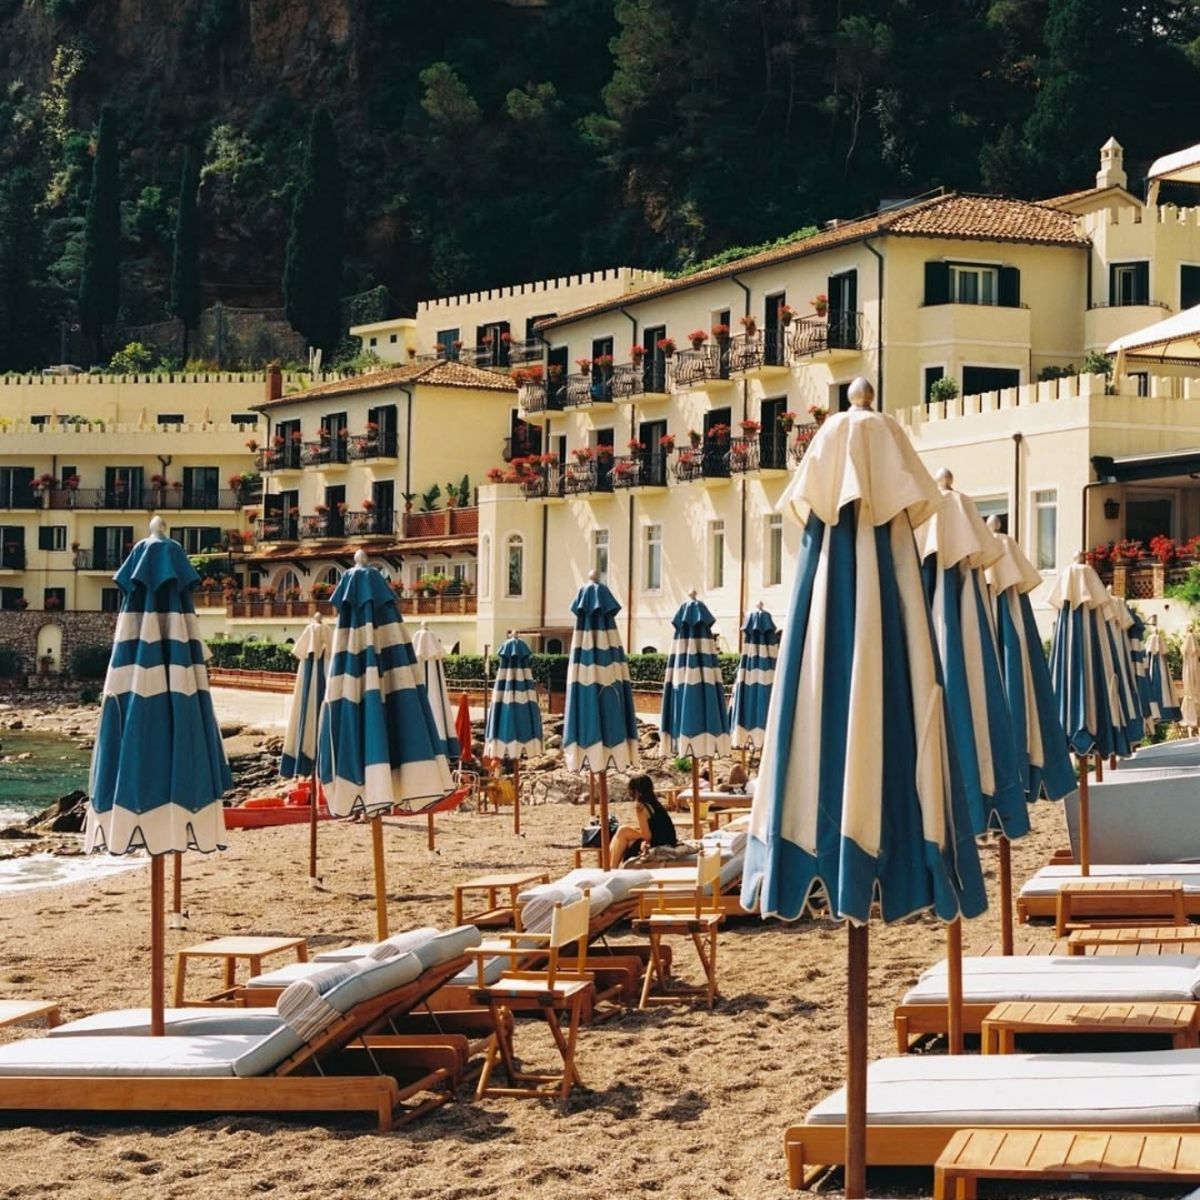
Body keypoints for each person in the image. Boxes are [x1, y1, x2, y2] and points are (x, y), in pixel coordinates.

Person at [608, 774, 678, 866]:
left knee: (622, 831)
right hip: (668, 839)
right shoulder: (654, 804)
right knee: (622, 832)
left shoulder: (641, 807)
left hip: (659, 842)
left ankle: (612, 867)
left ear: (636, 791)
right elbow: (652, 828)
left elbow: (647, 836)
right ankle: (611, 866)